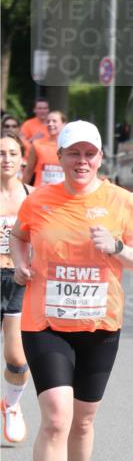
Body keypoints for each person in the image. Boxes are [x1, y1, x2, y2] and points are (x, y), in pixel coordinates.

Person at [9, 120, 133, 461]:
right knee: (56, 419)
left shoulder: (121, 202)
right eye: (74, 153)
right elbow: (18, 235)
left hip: (99, 325)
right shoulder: (41, 201)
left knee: (84, 422)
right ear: (62, 157)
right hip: (45, 321)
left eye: (90, 153)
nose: (82, 161)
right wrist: (18, 264)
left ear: (101, 158)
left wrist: (116, 247)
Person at [1, 129, 33, 444]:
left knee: (18, 359)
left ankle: (11, 405)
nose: (6, 159)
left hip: (19, 281)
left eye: (12, 153)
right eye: (1, 153)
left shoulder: (32, 195)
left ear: (22, 159)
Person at [24, 110, 67, 186]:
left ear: (63, 124)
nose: (50, 124)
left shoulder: (69, 145)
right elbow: (28, 171)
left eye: (54, 121)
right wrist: (22, 191)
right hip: (41, 191)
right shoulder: (37, 144)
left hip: (63, 193)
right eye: (48, 121)